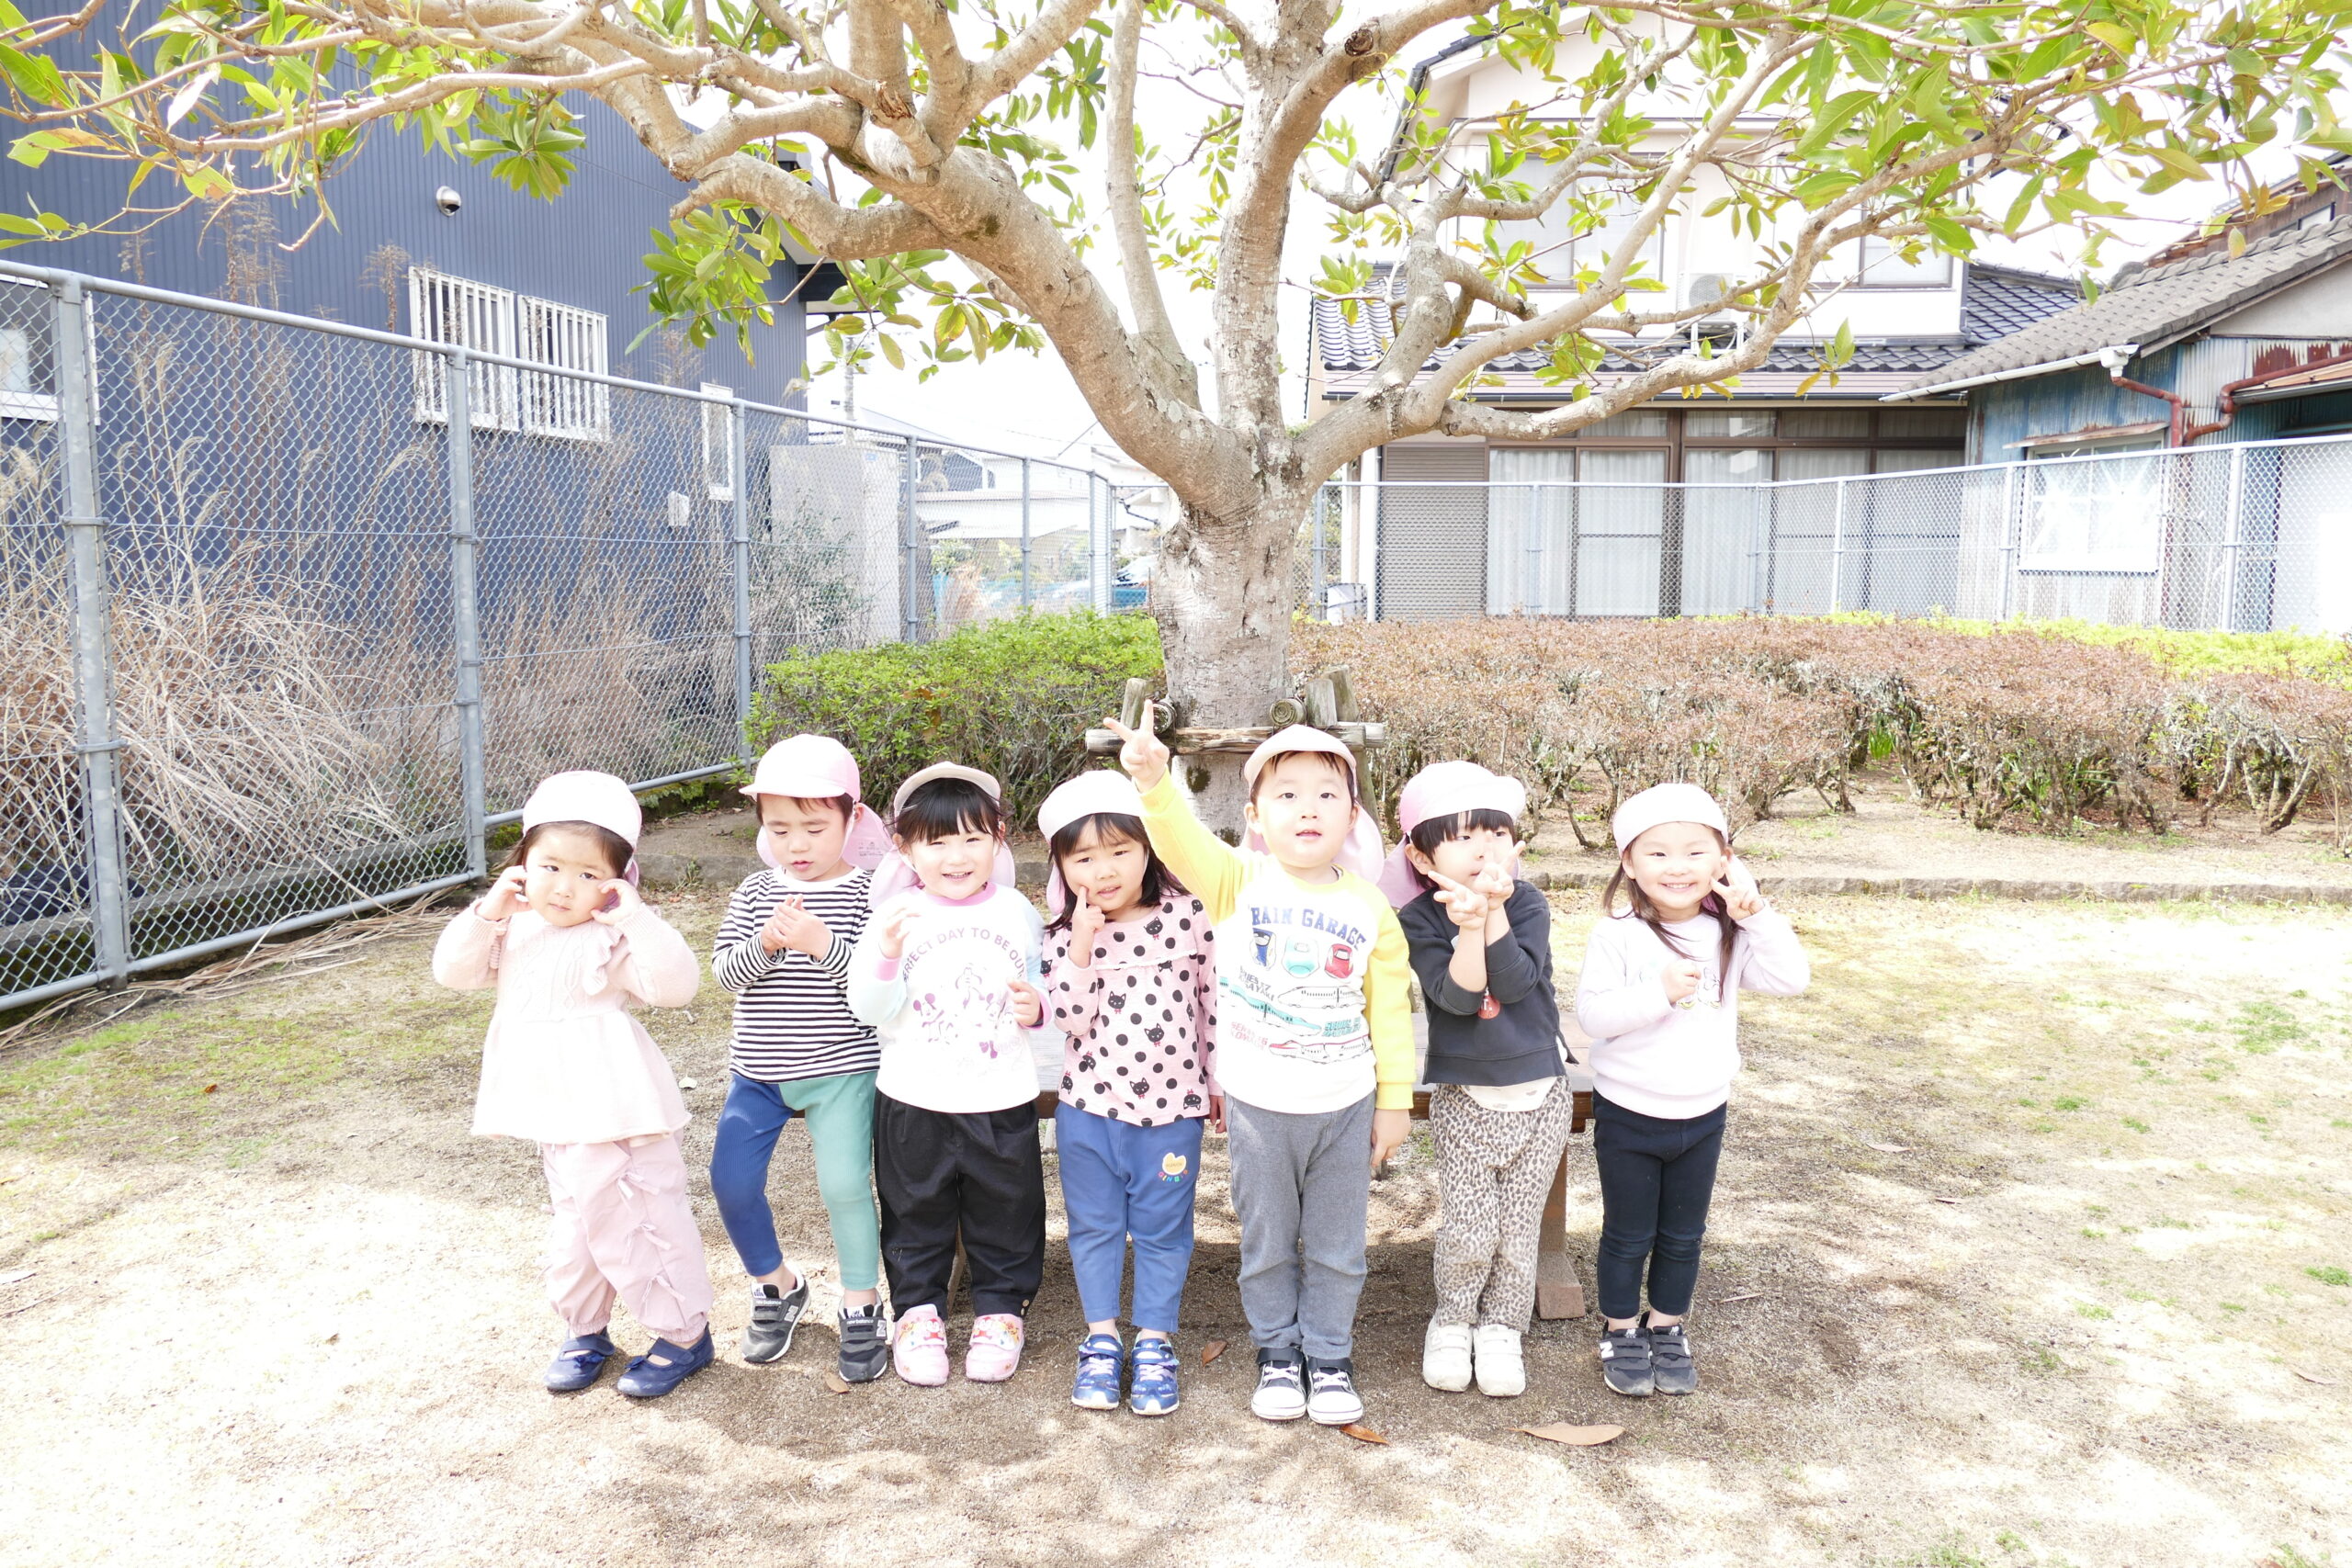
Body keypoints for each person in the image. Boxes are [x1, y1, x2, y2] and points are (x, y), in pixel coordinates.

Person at [1106, 709, 1412, 1427]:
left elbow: (1391, 1011)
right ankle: (1277, 1351)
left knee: (1338, 1244)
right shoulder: (1236, 881)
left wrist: (1394, 1100)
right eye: (1287, 794)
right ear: (1254, 815)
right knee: (1268, 1240)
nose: (1308, 808)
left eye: (1327, 794)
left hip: (1344, 1103)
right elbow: (1178, 839)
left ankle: (1329, 1356)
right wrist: (1153, 780)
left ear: (1353, 815)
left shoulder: (1369, 906)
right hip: (1259, 1106)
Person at [430, 771, 717, 1399]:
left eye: (588, 874)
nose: (564, 886)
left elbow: (677, 987)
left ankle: (684, 1333)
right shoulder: (512, 927)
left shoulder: (613, 934)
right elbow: (452, 971)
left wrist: (636, 919)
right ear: (522, 863)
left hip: (619, 1112)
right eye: (550, 866)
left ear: (616, 881)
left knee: (640, 1217)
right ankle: (585, 1329)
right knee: (577, 1224)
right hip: (556, 1112)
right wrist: (487, 911)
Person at [1574, 782, 1810, 1398]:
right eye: (1657, 853)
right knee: (1628, 1233)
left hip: (1703, 1112)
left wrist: (1756, 915)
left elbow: (1791, 978)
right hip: (1629, 1112)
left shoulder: (1730, 932)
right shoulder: (1617, 934)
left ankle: (1666, 1325)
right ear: (1628, 863)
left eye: (1695, 852)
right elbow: (1593, 1017)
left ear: (1723, 860)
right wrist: (1658, 993)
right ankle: (1620, 1328)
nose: (1676, 867)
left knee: (1684, 1233)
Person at [846, 763, 1053, 1386]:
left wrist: (1037, 1004)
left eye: (972, 838)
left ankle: (1000, 1312)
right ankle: (918, 1313)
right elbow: (868, 1007)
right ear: (905, 848)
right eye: (936, 842)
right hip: (915, 1096)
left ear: (999, 838)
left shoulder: (1017, 910)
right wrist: (886, 955)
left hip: (1001, 1093)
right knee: (914, 1209)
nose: (956, 856)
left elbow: (1038, 979)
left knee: (1008, 1205)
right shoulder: (894, 916)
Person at [707, 734, 898, 1382]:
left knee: (845, 1185)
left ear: (852, 819)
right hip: (759, 1072)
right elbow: (726, 974)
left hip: (843, 1068)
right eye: (780, 828)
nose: (798, 844)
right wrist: (765, 944)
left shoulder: (869, 894)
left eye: (815, 828)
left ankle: (861, 1301)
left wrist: (823, 944)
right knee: (731, 1181)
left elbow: (876, 991)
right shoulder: (755, 891)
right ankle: (777, 1284)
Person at [1379, 761, 1572, 1399]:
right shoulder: (1418, 919)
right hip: (1465, 1099)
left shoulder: (1529, 903)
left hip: (1541, 1094)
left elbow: (1515, 983)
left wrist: (1492, 912)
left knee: (1517, 1231)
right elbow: (1458, 998)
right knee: (1469, 1227)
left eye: (1497, 832)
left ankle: (1502, 1327)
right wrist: (1467, 925)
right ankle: (1453, 1320)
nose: (1485, 848)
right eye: (1464, 836)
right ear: (1421, 854)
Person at [1037, 769, 1217, 1417]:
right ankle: (1101, 1339)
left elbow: (1212, 1005)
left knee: (1165, 1230)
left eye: (1120, 850)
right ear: (1062, 866)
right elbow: (1069, 1018)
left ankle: (1155, 1343)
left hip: (1173, 1113)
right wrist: (1083, 942)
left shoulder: (1189, 916)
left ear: (1149, 849)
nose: (1104, 870)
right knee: (1094, 1226)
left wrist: (1218, 1080)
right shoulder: (1061, 938)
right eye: (1083, 858)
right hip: (1089, 1110)